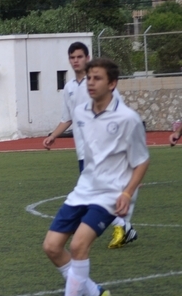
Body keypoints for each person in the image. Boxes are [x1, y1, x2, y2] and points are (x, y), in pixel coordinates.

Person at [40, 58, 149, 296]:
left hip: (111, 193)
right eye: (89, 78)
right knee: (52, 247)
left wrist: (127, 193)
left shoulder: (127, 119)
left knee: (78, 246)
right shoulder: (81, 112)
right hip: (84, 189)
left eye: (97, 78)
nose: (90, 82)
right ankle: (96, 294)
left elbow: (141, 161)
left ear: (112, 84)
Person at [44, 42, 138, 248]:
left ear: (87, 58)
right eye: (72, 57)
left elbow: (120, 114)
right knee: (95, 193)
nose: (75, 60)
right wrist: (53, 136)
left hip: (107, 152)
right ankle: (123, 227)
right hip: (84, 152)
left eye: (79, 56)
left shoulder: (101, 85)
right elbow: (67, 118)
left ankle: (122, 226)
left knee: (100, 193)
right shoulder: (69, 88)